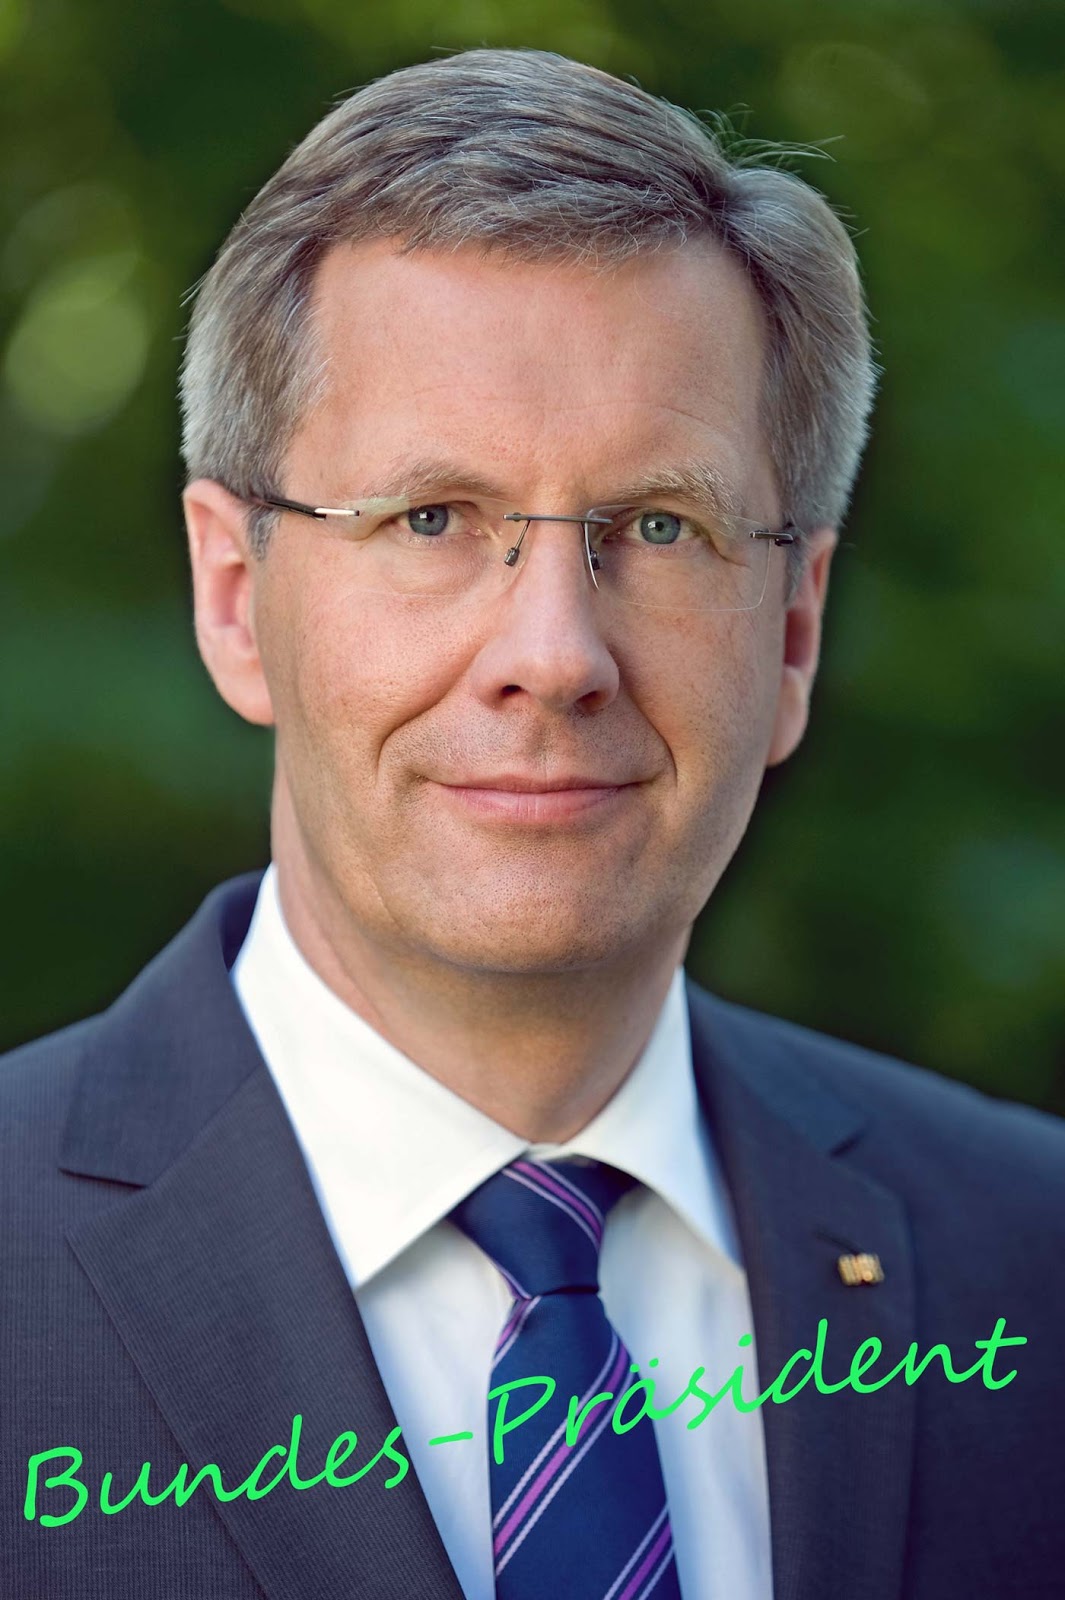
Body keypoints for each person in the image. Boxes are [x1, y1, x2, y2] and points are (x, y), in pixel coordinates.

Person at [1, 46, 1062, 1600]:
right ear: (235, 599)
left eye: (659, 527)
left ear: (791, 631)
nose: (554, 654)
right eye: (432, 518)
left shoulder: (1030, 1258)